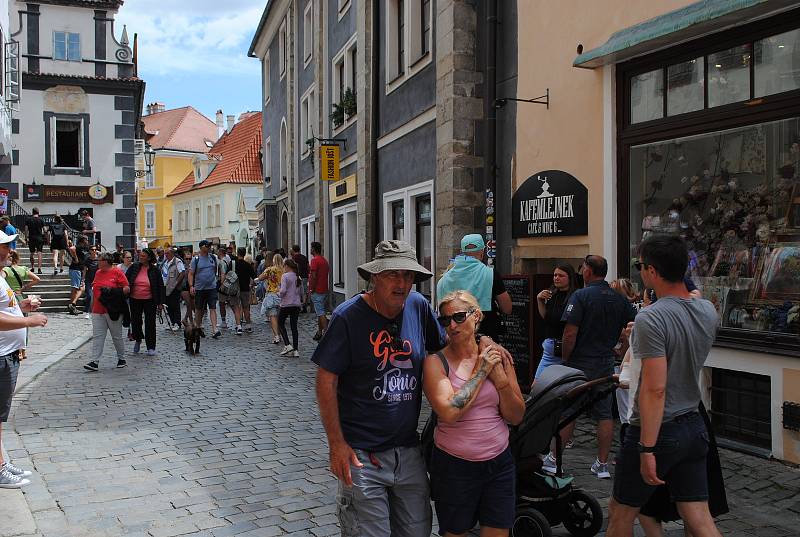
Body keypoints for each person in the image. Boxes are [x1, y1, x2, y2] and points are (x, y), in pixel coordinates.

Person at [312, 240, 447, 537]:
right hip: (362, 456)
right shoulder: (348, 317)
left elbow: (443, 354)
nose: (401, 283)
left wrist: (482, 347)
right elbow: (326, 379)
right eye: (392, 275)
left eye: (408, 276)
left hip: (409, 451)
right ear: (375, 277)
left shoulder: (418, 307)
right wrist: (336, 444)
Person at [607, 234, 723, 537]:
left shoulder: (651, 318)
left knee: (621, 513)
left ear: (652, 272)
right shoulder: (708, 310)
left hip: (658, 428)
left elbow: (655, 388)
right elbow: (690, 302)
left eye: (640, 265)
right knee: (698, 515)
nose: (639, 270)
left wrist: (646, 447)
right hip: (693, 422)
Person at [423, 290, 525, 537]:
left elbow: (516, 416)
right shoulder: (436, 363)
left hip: (498, 463)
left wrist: (498, 376)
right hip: (454, 466)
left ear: (476, 315)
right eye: (445, 320)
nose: (452, 325)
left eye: (458, 317)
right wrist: (481, 371)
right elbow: (449, 413)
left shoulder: (497, 357)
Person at [558, 254, 637, 480]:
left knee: (569, 411)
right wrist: (621, 351)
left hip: (580, 361)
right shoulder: (618, 298)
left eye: (583, 268)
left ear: (588, 271)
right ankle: (602, 464)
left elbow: (570, 333)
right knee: (604, 414)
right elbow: (632, 328)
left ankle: (555, 460)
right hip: (604, 361)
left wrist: (566, 359)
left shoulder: (581, 296)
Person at [0, 229, 47, 489]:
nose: (8, 251)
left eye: (7, 246)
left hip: (7, 354)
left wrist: (22, 307)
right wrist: (27, 320)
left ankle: (2, 463)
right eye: (4, 246)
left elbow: (5, 307)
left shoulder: (2, 276)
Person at [436, 234, 512, 341]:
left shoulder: (444, 279)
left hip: (454, 339)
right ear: (482, 252)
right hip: (485, 338)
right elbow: (507, 308)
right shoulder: (490, 274)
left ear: (462, 252)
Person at [83, 252, 129, 372]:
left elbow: (126, 289)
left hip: (112, 310)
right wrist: (91, 308)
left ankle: (121, 359)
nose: (98, 261)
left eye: (100, 260)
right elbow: (94, 290)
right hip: (97, 310)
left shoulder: (117, 272)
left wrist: (113, 291)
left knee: (116, 336)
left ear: (106, 262)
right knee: (98, 336)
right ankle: (94, 361)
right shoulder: (98, 273)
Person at [534, 263, 577, 379]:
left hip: (566, 348)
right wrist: (540, 301)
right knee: (537, 384)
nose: (556, 278)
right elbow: (546, 317)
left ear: (570, 278)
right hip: (550, 346)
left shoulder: (575, 296)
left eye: (561, 276)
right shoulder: (552, 294)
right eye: (555, 275)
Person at [126, 248, 165, 356]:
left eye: (143, 256)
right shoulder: (134, 267)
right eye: (140, 255)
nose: (141, 257)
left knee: (150, 323)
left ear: (149, 258)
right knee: (136, 322)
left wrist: (160, 302)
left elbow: (160, 286)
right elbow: (126, 279)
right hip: (135, 299)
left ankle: (151, 347)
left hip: (150, 300)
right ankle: (138, 339)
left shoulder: (154, 270)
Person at [188, 240, 221, 339]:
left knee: (213, 308)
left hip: (211, 288)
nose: (209, 248)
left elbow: (215, 270)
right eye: (207, 246)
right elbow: (191, 273)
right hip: (199, 288)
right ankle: (198, 327)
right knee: (199, 309)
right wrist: (191, 286)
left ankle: (215, 329)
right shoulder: (196, 259)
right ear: (201, 247)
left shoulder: (212, 258)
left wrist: (214, 281)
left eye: (209, 246)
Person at [277, 258, 302, 356]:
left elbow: (283, 291)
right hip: (296, 304)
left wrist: (278, 293)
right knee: (294, 327)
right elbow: (301, 292)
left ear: (287, 266)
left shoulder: (285, 276)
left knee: (280, 323)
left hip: (286, 304)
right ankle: (296, 350)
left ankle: (287, 344)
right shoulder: (298, 277)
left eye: (284, 266)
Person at [257, 253, 283, 344]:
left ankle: (276, 336)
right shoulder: (285, 270)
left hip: (272, 295)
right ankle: (281, 334)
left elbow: (260, 278)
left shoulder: (270, 270)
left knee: (272, 316)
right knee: (280, 317)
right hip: (283, 296)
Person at [306, 242, 329, 341]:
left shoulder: (315, 261)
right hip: (324, 289)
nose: (310, 250)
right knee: (320, 312)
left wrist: (311, 288)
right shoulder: (324, 260)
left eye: (311, 248)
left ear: (314, 249)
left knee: (321, 313)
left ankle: (327, 333)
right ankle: (319, 332)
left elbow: (314, 276)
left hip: (317, 290)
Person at [162, 248, 185, 332]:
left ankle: (177, 323)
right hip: (166, 287)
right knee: (168, 306)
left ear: (172, 253)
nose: (166, 255)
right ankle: (172, 322)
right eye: (165, 253)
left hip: (174, 288)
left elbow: (182, 272)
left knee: (175, 306)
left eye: (167, 253)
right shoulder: (166, 262)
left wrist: (176, 283)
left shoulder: (177, 261)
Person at [234, 247, 256, 334]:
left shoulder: (234, 264)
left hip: (235, 289)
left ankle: (239, 326)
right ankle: (248, 325)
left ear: (237, 253)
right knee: (246, 308)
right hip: (245, 289)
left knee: (237, 308)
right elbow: (254, 277)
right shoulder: (248, 265)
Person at [67, 236, 89, 315]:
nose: (87, 241)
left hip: (79, 269)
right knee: (76, 288)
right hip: (75, 269)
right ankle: (72, 306)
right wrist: (75, 258)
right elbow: (72, 248)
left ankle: (72, 304)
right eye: (86, 239)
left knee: (80, 288)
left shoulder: (84, 247)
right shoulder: (80, 246)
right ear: (83, 240)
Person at [217, 245, 235, 331]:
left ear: (220, 253)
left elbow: (223, 273)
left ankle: (223, 321)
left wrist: (221, 284)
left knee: (222, 303)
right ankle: (238, 318)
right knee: (231, 302)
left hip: (224, 284)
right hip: (230, 283)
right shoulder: (228, 259)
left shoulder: (222, 261)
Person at [24, 208, 46, 275]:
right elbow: (45, 230)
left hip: (31, 238)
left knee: (32, 253)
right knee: (39, 253)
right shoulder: (41, 220)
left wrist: (26, 238)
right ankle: (39, 269)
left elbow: (26, 230)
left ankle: (32, 267)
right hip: (39, 238)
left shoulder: (28, 220)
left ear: (32, 212)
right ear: (38, 212)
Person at [291, 245, 310, 312]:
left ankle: (298, 306)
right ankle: (304, 304)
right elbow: (308, 267)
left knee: (297, 291)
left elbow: (294, 267)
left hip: (298, 276)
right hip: (305, 276)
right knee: (304, 291)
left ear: (293, 250)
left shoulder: (294, 258)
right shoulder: (304, 257)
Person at [179, 250, 195, 328]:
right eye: (187, 259)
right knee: (188, 304)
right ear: (184, 259)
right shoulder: (182, 266)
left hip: (191, 287)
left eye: (190, 259)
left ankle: (185, 319)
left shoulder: (193, 266)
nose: (188, 260)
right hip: (184, 287)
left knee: (192, 305)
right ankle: (191, 322)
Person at [83, 246, 99, 316]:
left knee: (96, 296)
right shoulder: (87, 260)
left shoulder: (99, 259)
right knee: (89, 295)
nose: (94, 251)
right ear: (90, 251)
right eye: (92, 249)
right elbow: (84, 270)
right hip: (89, 279)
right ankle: (87, 310)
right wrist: (82, 279)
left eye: (95, 249)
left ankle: (95, 310)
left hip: (97, 280)